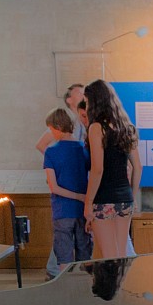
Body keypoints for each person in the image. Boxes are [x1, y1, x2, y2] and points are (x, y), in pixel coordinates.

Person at [81, 79, 140, 260]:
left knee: (108, 257)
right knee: (121, 254)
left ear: (95, 102)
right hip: (125, 199)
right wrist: (132, 196)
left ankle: (113, 281)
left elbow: (98, 169)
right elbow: (138, 167)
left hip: (104, 198)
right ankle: (123, 280)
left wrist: (88, 203)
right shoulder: (126, 127)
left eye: (87, 101)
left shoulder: (97, 127)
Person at [40, 106, 92, 269]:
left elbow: (54, 187)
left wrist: (77, 196)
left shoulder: (51, 152)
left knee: (64, 257)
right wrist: (82, 197)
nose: (51, 133)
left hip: (62, 210)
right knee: (85, 253)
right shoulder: (83, 150)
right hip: (83, 210)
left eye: (51, 129)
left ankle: (66, 283)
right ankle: (85, 284)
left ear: (58, 127)